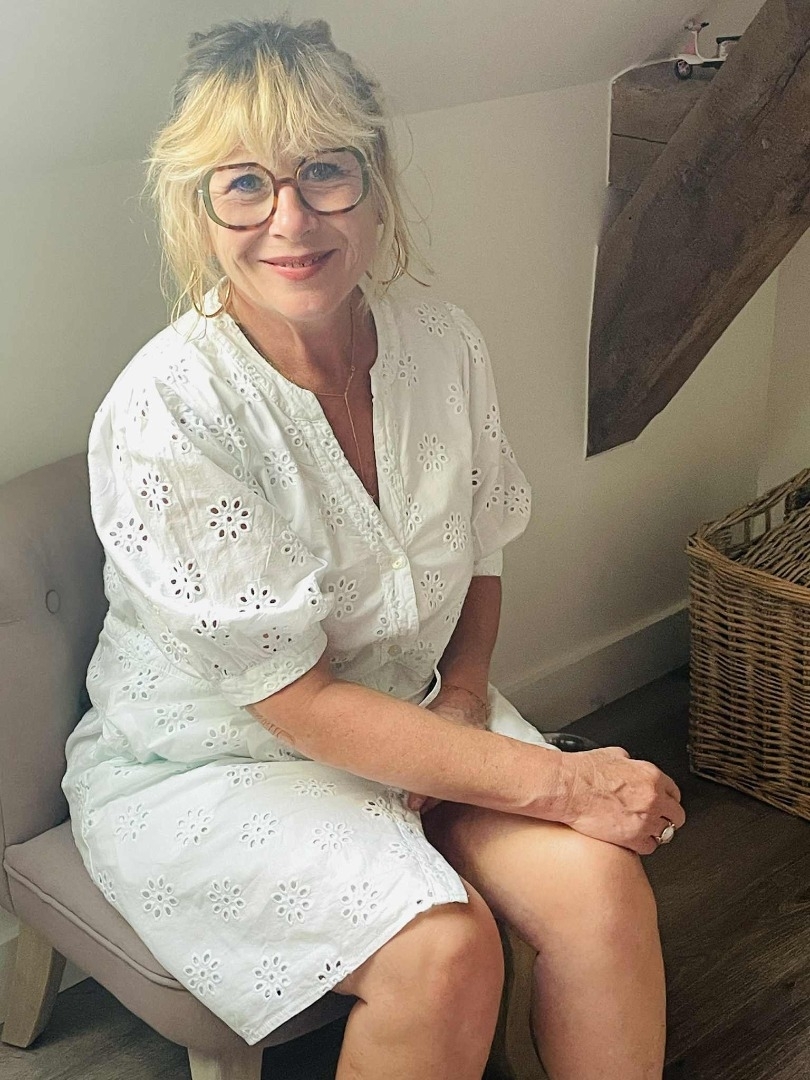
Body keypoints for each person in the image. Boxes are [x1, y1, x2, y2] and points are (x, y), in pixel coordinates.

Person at [63, 17, 685, 1080]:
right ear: (197, 211)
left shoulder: (441, 342)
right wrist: (561, 782)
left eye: (324, 171)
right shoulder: (170, 411)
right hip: (217, 762)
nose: (291, 218)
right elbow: (296, 703)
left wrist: (464, 701)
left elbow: (481, 549)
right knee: (445, 952)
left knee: (601, 889)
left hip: (422, 710)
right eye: (244, 184)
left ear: (375, 183)